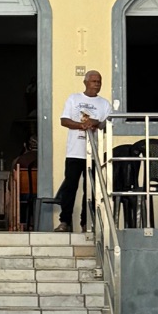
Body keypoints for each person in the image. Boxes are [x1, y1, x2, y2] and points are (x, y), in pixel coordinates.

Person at [57, 70, 112, 233]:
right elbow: (64, 120)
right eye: (94, 81)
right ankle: (64, 221)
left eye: (99, 81)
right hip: (75, 152)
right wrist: (82, 125)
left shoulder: (105, 104)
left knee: (92, 189)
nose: (97, 84)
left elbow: (107, 126)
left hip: (94, 153)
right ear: (85, 82)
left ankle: (86, 222)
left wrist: (96, 122)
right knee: (70, 187)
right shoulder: (74, 98)